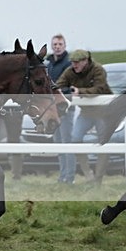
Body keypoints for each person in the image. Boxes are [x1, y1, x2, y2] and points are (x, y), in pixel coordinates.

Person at [57, 49, 112, 185]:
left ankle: (98, 179)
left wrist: (79, 91)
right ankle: (88, 174)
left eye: (76, 62)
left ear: (85, 61)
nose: (74, 65)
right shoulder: (70, 71)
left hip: (103, 112)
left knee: (103, 143)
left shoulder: (98, 70)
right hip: (86, 113)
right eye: (72, 62)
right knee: (75, 139)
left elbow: (99, 88)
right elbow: (58, 84)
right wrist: (63, 91)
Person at [45, 34, 75, 184]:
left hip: (65, 108)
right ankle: (62, 175)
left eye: (60, 44)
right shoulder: (49, 63)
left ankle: (69, 177)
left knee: (66, 142)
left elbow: (67, 87)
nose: (57, 46)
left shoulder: (68, 64)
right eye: (55, 44)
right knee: (58, 142)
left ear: (64, 46)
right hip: (52, 109)